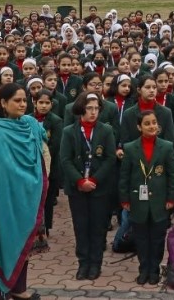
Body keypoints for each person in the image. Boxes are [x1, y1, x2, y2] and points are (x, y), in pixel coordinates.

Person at [0, 82, 50, 300]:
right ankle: (2, 292)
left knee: (25, 246)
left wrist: (41, 173)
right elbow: (5, 169)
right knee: (7, 242)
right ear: (3, 103)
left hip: (31, 198)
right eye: (16, 101)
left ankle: (19, 289)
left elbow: (44, 148)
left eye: (24, 100)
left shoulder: (30, 123)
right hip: (7, 200)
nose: (22, 104)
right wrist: (33, 180)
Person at [60, 92, 116, 281]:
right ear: (81, 109)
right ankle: (83, 262)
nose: (93, 112)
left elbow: (109, 159)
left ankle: (95, 263)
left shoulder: (106, 130)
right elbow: (65, 159)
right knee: (81, 226)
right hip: (77, 188)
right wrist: (79, 181)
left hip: (98, 187)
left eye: (96, 108)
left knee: (97, 226)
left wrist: (95, 180)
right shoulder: (69, 131)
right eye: (89, 108)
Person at [118, 109, 174, 286]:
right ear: (139, 127)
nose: (152, 126)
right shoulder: (130, 148)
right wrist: (125, 199)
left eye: (154, 123)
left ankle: (155, 269)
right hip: (138, 200)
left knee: (158, 237)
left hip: (160, 201)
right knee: (141, 238)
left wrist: (171, 198)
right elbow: (124, 177)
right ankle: (144, 269)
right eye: (147, 123)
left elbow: (172, 175)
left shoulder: (166, 146)